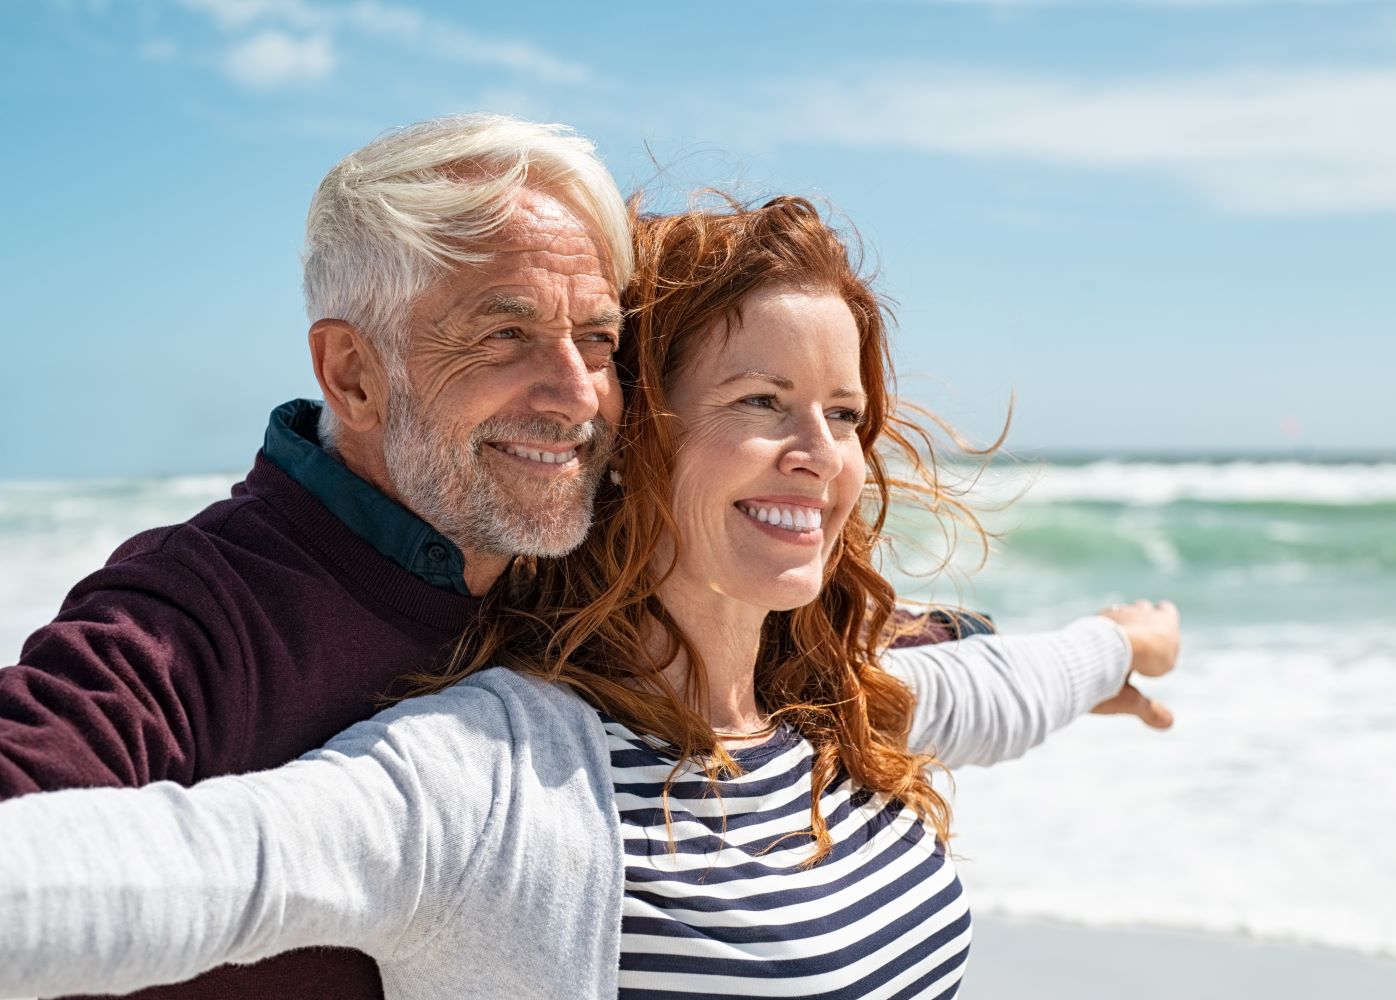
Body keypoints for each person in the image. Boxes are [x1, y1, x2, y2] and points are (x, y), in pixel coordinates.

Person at [0, 114, 1174, 999]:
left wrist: (1109, 645)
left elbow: (909, 678)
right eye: (505, 330)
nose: (575, 395)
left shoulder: (581, 580)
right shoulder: (214, 623)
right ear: (352, 374)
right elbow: (140, 869)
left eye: (599, 340)